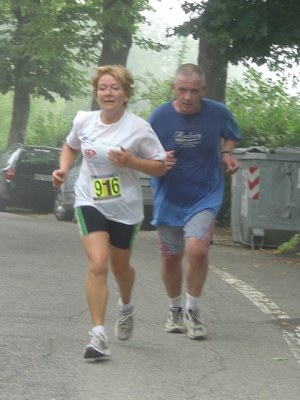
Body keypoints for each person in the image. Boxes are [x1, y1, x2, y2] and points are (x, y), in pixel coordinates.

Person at [52, 65, 166, 360]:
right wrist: (63, 169)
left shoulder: (139, 128)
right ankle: (98, 335)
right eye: (103, 88)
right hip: (89, 199)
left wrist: (131, 162)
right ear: (96, 93)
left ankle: (126, 307)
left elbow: (160, 165)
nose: (108, 93)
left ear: (126, 94)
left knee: (120, 269)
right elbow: (69, 146)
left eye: (115, 88)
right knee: (98, 263)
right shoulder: (84, 121)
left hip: (125, 207)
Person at [148, 63, 241, 339]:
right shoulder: (159, 117)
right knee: (170, 258)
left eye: (193, 91)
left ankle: (192, 310)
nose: (187, 97)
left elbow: (231, 134)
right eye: (182, 90)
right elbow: (142, 149)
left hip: (205, 193)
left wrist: (226, 153)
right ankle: (174, 309)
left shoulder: (218, 112)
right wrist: (158, 159)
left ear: (203, 90)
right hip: (169, 196)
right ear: (173, 89)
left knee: (197, 250)